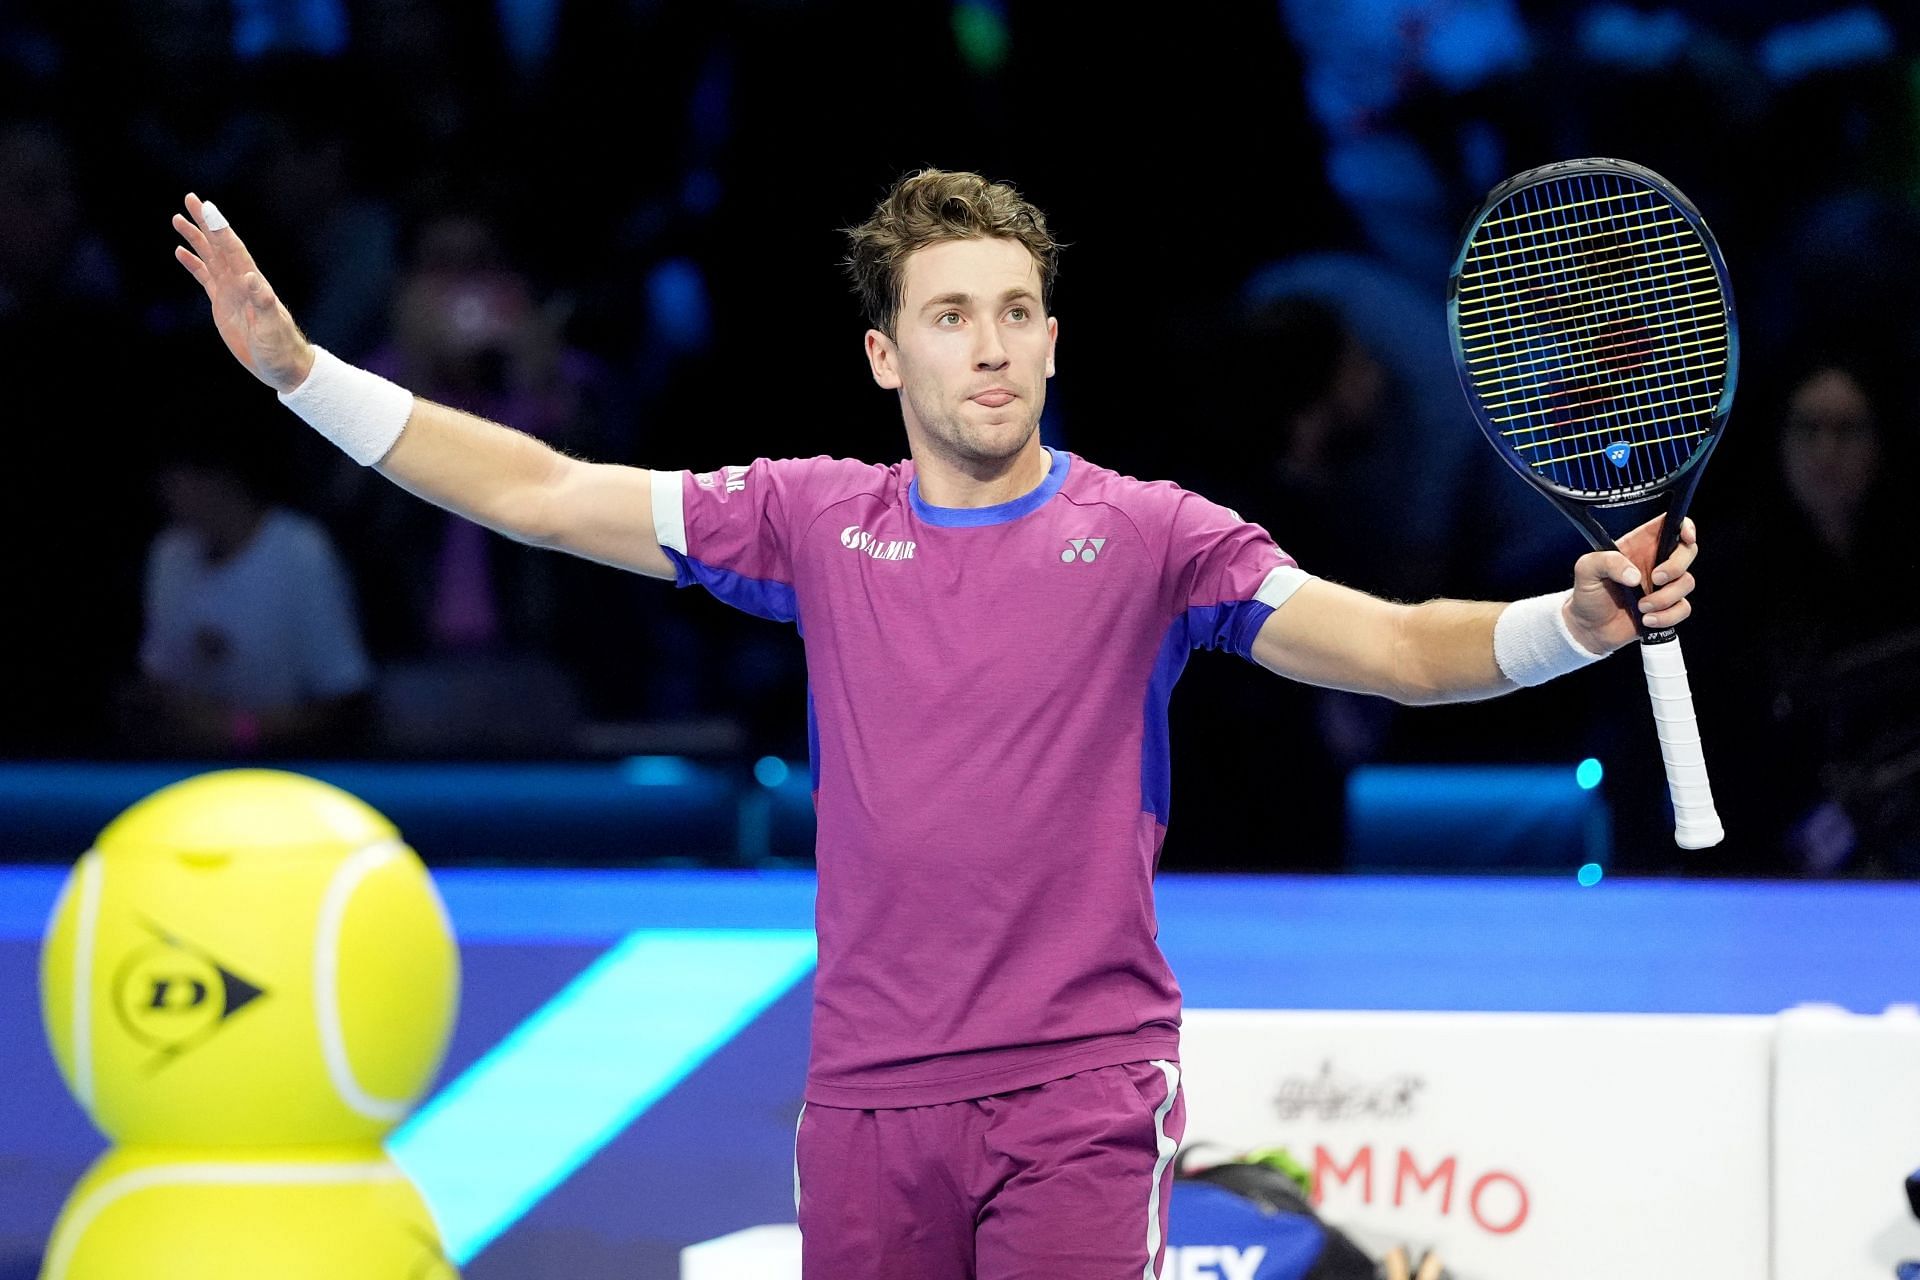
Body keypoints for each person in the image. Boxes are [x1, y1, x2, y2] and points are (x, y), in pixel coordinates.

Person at [171, 169, 1699, 1280]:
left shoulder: (1156, 536)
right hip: (866, 1099)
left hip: (1082, 1091)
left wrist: (1567, 624)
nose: (992, 343)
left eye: (1018, 313)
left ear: (1051, 344)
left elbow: (1391, 650)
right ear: (885, 357)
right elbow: (544, 495)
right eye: (952, 314)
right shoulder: (810, 519)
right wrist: (305, 378)